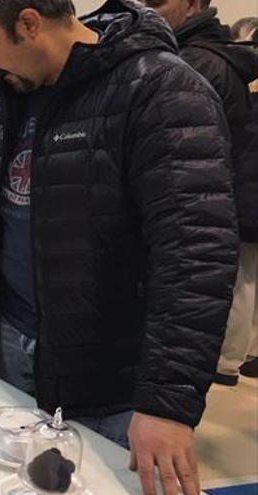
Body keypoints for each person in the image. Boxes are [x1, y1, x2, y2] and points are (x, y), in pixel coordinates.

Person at [0, 1, 238, 494]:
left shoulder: (160, 90)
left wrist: (167, 403)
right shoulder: (10, 96)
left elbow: (195, 257)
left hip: (111, 381)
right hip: (14, 355)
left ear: (28, 24)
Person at [142, 0, 258, 387]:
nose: (147, 8)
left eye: (157, 2)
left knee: (232, 283)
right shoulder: (186, 55)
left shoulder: (197, 65)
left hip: (197, 206)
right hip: (208, 199)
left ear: (193, 5)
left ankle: (223, 363)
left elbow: (187, 162)